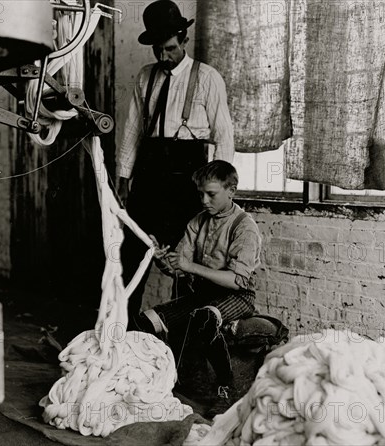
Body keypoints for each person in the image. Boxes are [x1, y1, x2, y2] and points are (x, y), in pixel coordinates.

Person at [117, 0, 235, 321]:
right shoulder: (145, 77)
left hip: (188, 180)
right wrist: (123, 179)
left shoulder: (208, 78)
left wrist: (220, 191)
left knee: (185, 263)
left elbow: (223, 136)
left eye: (169, 48)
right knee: (131, 255)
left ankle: (182, 343)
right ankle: (124, 334)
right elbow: (131, 130)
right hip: (148, 175)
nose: (163, 56)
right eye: (158, 50)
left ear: (183, 39)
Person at [135, 160, 262, 403]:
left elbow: (237, 280)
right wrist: (161, 260)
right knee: (145, 321)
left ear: (231, 191)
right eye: (201, 194)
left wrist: (189, 266)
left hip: (237, 297)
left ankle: (226, 390)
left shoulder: (244, 227)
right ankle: (158, 381)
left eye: (211, 194)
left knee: (205, 318)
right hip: (202, 295)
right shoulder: (197, 222)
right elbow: (178, 271)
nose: (204, 200)